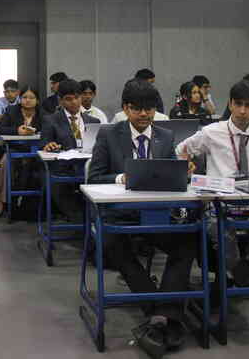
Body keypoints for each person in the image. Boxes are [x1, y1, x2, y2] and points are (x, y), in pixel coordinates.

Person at [88, 80, 195, 357]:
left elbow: (171, 177)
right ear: (125, 108)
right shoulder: (109, 135)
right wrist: (120, 178)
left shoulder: (165, 136)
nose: (144, 114)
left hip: (157, 214)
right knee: (114, 245)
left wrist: (184, 175)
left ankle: (161, 316)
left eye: (149, 108)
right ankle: (163, 313)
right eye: (137, 108)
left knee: (187, 242)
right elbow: (94, 177)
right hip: (119, 216)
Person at [177, 80, 249, 287]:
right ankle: (232, 279)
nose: (242, 111)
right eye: (238, 104)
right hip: (218, 206)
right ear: (230, 104)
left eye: (248, 106)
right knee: (229, 250)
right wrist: (187, 164)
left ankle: (238, 276)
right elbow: (180, 150)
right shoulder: (211, 132)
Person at [40, 79, 99, 223]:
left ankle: (95, 219)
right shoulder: (51, 120)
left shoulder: (93, 121)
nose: (74, 102)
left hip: (89, 168)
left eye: (77, 98)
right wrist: (49, 146)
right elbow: (44, 143)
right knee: (60, 189)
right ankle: (81, 220)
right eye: (68, 99)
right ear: (60, 101)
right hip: (63, 170)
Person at [0, 86, 43, 218]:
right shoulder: (12, 111)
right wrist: (17, 131)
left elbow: (49, 130)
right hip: (14, 149)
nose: (28, 100)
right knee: (5, 163)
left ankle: (34, 205)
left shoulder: (43, 113)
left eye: (31, 98)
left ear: (37, 100)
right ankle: (2, 202)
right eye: (25, 97)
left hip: (37, 151)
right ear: (20, 99)